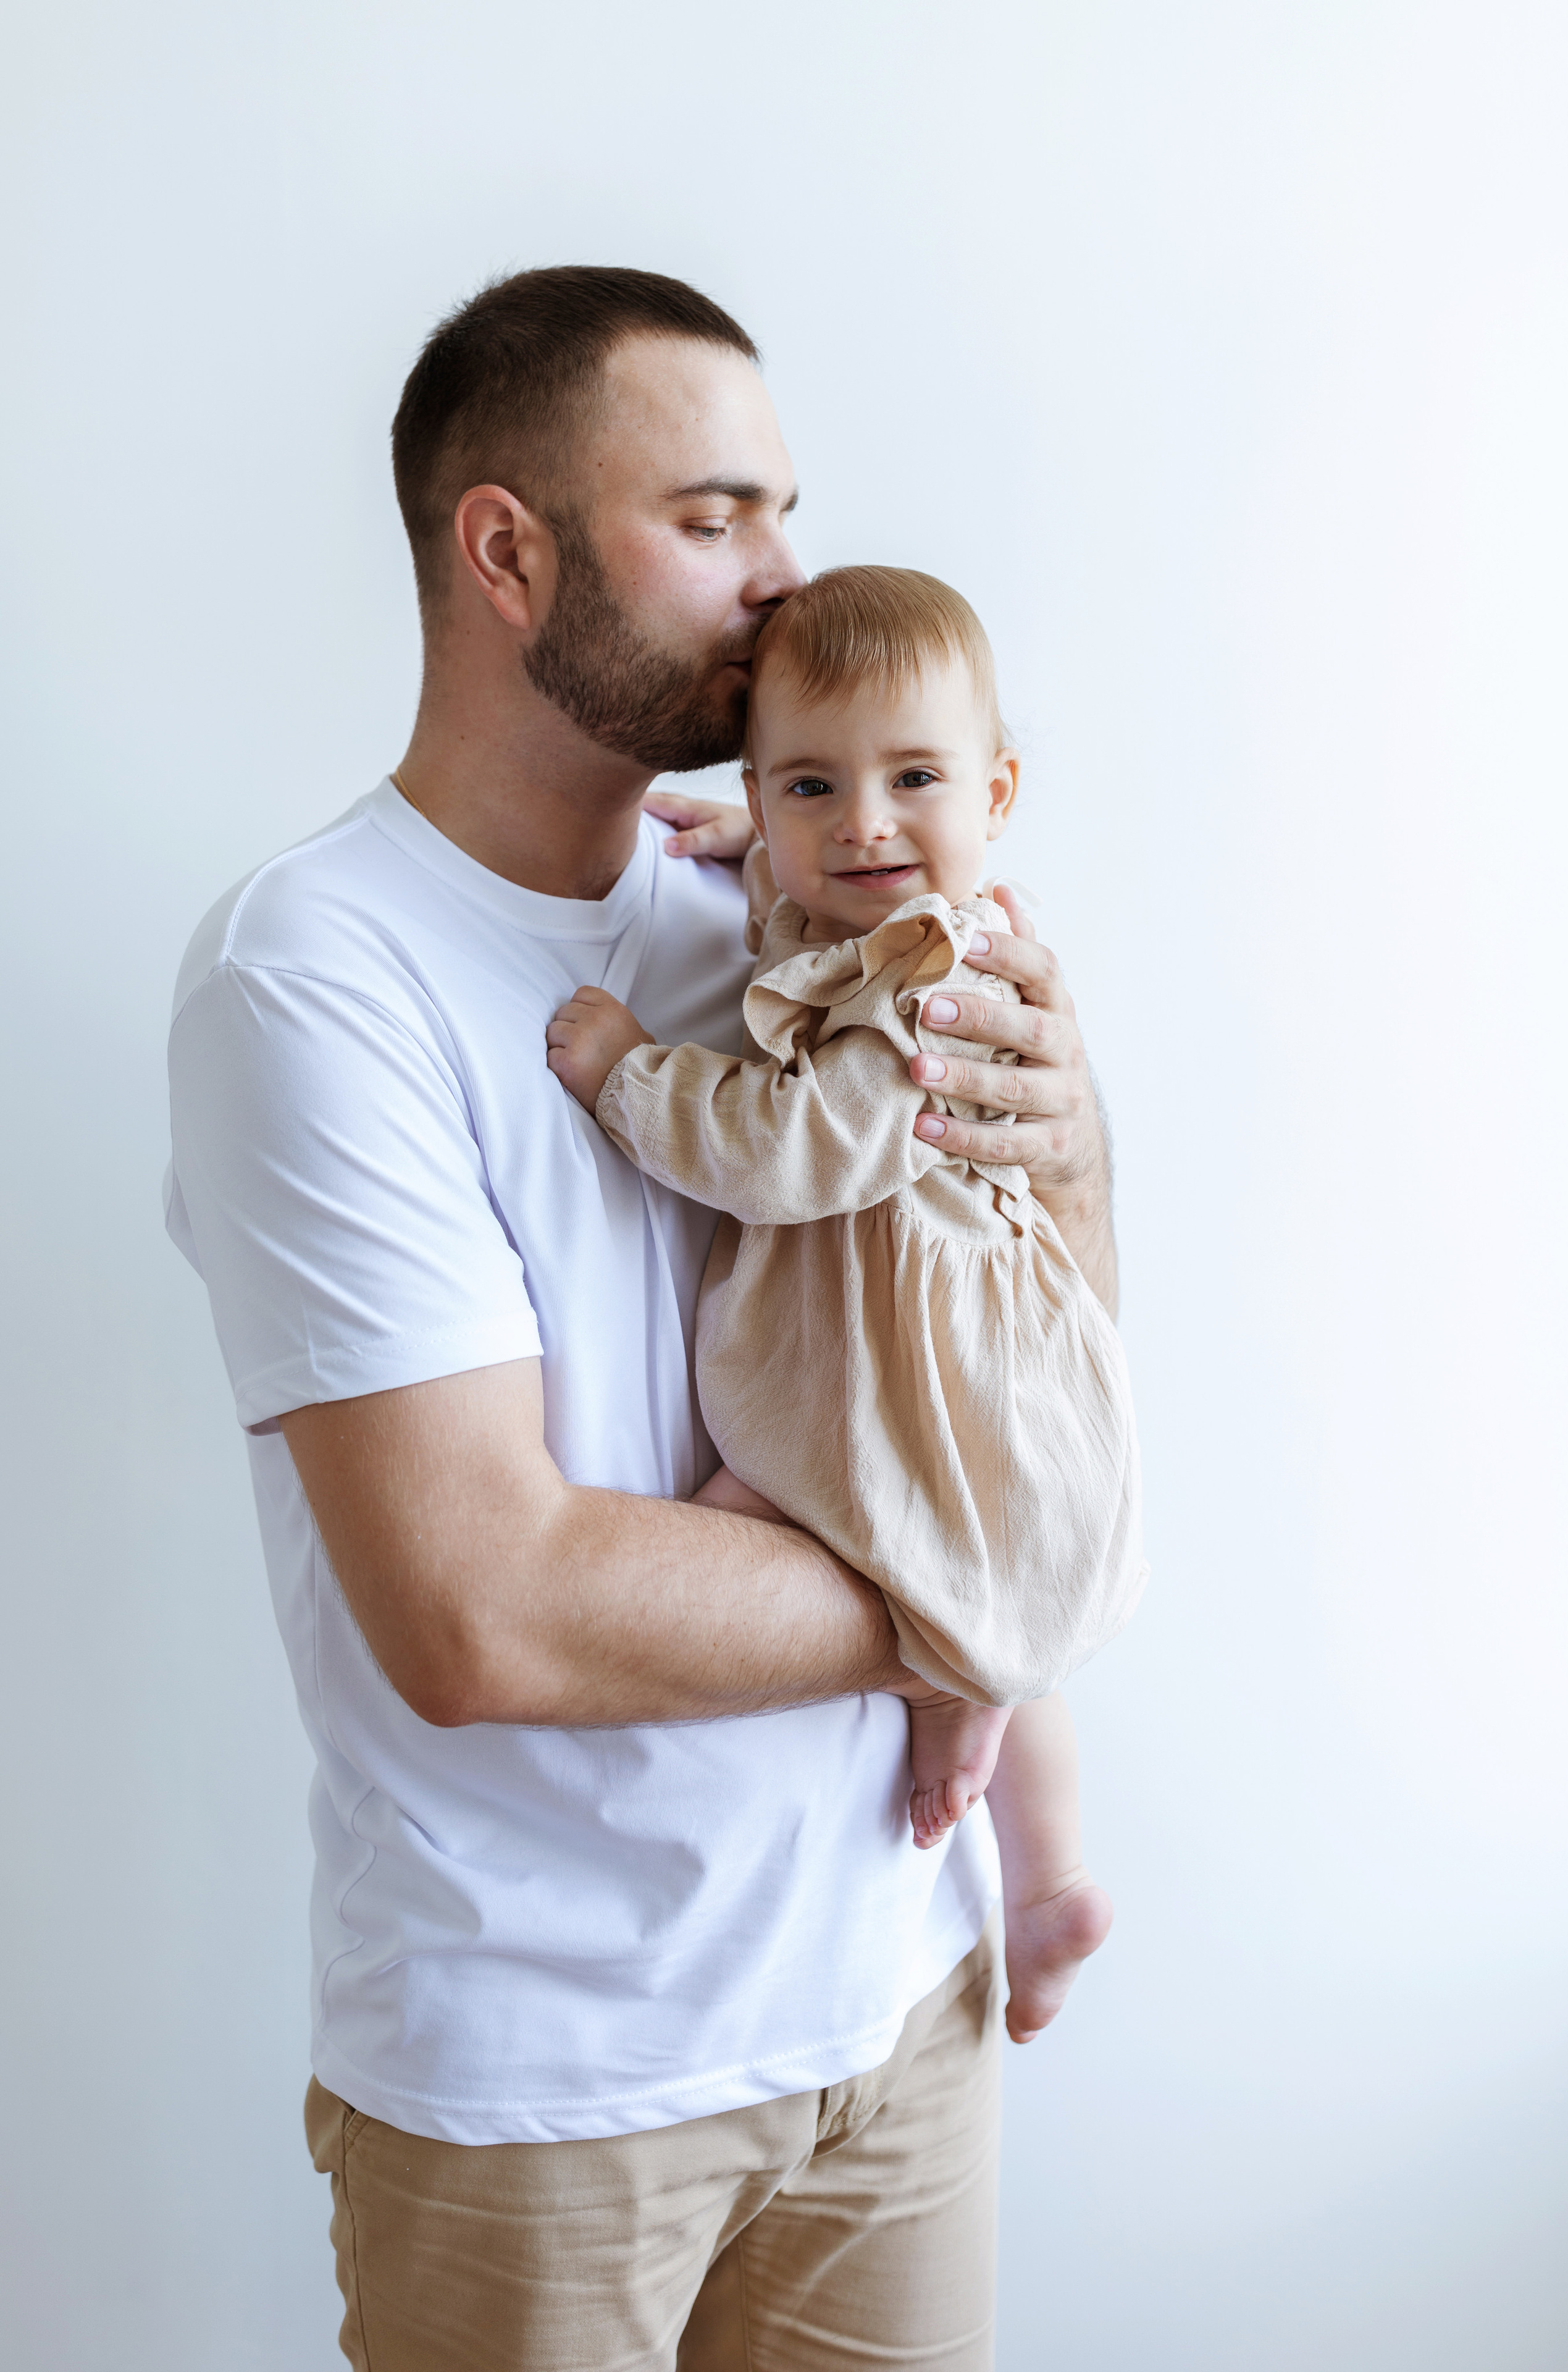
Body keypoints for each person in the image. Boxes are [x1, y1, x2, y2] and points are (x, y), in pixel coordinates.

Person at [164, 266, 1124, 2371]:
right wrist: (985, 1604)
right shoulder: (317, 979)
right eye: (714, 520)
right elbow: (485, 1610)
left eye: (785, 510)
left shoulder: (791, 910)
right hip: (549, 2097)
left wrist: (1074, 1145)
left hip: (901, 2008)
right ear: (508, 551)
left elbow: (1024, 1339)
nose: (786, 590)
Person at [547, 563, 1146, 2048]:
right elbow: (823, 906)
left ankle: (1049, 1861)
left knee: (886, 1554)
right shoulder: (858, 904)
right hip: (865, 1340)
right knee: (937, 1571)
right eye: (813, 783)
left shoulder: (930, 979)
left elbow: (791, 1146)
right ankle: (1040, 1859)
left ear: (995, 789)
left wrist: (630, 1072)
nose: (865, 824)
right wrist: (772, 843)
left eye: (914, 779)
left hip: (913, 1353)